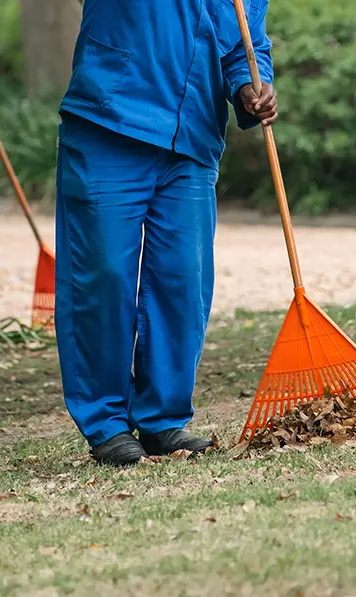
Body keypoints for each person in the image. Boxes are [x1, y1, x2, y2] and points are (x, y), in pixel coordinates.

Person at [54, 0, 278, 466]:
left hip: (192, 139)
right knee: (104, 275)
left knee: (183, 279)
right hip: (110, 120)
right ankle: (106, 424)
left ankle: (161, 419)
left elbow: (243, 43)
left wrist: (251, 88)